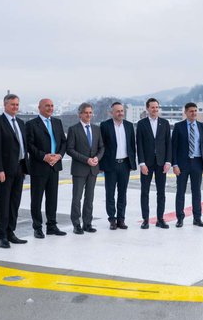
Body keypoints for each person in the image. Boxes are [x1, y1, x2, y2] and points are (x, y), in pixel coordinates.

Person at [0, 93, 29, 248]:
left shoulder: (20, 122)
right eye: (12, 104)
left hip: (19, 168)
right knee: (3, 203)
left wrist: (24, 167)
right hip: (3, 170)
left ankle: (11, 232)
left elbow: (23, 146)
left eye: (17, 104)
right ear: (5, 105)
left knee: (14, 203)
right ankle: (2, 235)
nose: (15, 107)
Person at [25, 98, 67, 239]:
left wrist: (59, 156)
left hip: (54, 166)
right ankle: (37, 227)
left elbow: (63, 142)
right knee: (36, 199)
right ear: (39, 108)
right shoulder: (31, 124)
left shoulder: (57, 122)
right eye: (47, 106)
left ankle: (51, 226)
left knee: (52, 198)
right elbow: (29, 145)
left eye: (52, 106)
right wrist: (44, 157)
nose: (50, 108)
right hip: (39, 166)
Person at [66, 102, 104, 234]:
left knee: (90, 198)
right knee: (77, 198)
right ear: (80, 114)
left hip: (93, 169)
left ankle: (87, 223)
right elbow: (69, 149)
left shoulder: (96, 129)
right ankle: (76, 224)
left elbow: (101, 147)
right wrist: (86, 159)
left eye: (90, 113)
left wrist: (97, 158)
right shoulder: (73, 129)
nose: (88, 115)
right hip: (79, 169)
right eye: (86, 113)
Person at [172, 102, 203, 227]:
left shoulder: (202, 127)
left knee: (196, 192)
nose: (194, 113)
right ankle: (180, 218)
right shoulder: (178, 127)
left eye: (195, 111)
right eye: (191, 111)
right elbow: (174, 148)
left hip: (198, 163)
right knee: (180, 191)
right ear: (186, 113)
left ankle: (197, 218)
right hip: (183, 164)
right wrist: (175, 165)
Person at [99, 102, 136, 230]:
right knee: (110, 193)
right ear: (112, 113)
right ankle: (112, 219)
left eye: (122, 110)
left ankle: (121, 219)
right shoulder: (105, 126)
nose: (120, 113)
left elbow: (132, 146)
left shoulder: (129, 126)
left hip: (125, 164)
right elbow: (101, 146)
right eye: (117, 111)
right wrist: (101, 165)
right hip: (110, 165)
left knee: (122, 193)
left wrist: (132, 163)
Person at [136, 98, 171, 229]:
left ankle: (160, 219)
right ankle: (145, 219)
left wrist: (168, 162)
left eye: (157, 107)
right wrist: (142, 163)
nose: (155, 109)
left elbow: (168, 144)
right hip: (147, 163)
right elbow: (139, 145)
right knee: (145, 192)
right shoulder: (141, 124)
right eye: (152, 107)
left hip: (161, 163)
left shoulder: (165, 123)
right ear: (147, 108)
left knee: (161, 192)